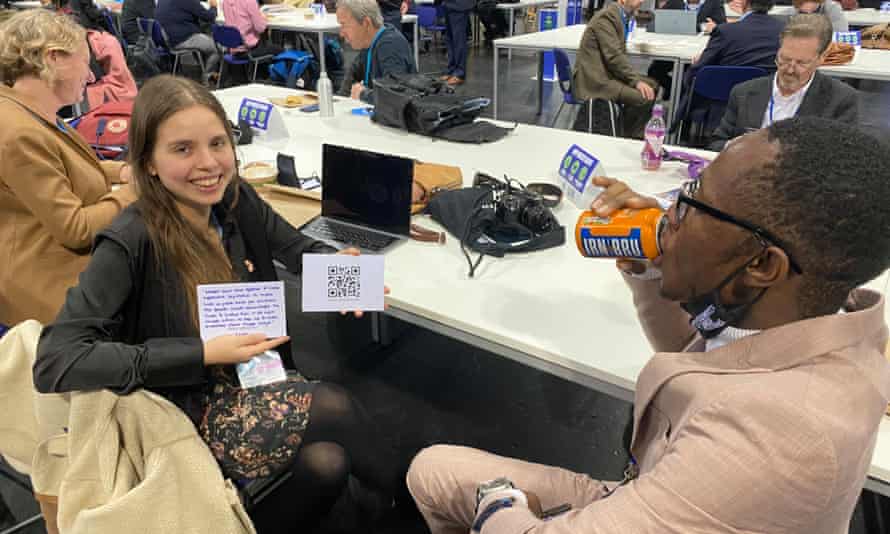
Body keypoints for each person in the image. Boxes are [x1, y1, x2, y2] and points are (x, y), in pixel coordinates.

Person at [406, 116, 890, 533]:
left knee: (435, 476)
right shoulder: (817, 312)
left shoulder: (775, 439)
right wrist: (656, 265)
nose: (668, 213)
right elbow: (701, 357)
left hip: (667, 493)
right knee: (430, 470)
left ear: (764, 265)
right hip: (667, 490)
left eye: (692, 202)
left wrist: (501, 504)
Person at [33, 75, 401, 534]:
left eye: (218, 143)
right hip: (181, 405)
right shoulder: (130, 239)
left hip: (247, 377)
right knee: (335, 406)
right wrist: (204, 353)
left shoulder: (234, 198)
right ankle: (406, 506)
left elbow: (295, 250)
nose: (208, 164)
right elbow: (55, 359)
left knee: (327, 463)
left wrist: (347, 276)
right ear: (148, 161)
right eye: (182, 149)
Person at [0, 9, 135, 327]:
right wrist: (136, 191)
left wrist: (122, 173)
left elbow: (69, 166)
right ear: (54, 58)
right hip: (48, 288)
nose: (90, 76)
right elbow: (75, 230)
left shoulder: (30, 110)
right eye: (85, 62)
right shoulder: (19, 131)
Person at [709, 14, 858, 150]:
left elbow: (843, 160)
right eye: (785, 59)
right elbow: (716, 143)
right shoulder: (744, 92)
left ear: (822, 58)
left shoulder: (840, 100)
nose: (790, 70)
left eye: (801, 63)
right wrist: (733, 147)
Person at [673, 0, 784, 133]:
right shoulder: (785, 31)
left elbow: (695, 73)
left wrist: (699, 63)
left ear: (744, 2)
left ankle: (682, 134)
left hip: (721, 106)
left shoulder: (726, 31)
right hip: (767, 104)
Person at [572, 0, 658, 138]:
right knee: (643, 97)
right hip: (595, 80)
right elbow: (614, 57)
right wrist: (635, 81)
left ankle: (624, 129)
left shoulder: (620, 15)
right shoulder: (606, 17)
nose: (642, 1)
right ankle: (627, 137)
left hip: (607, 72)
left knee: (653, 85)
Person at [336, 0, 416, 103]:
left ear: (366, 23)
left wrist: (363, 95)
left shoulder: (390, 46)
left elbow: (396, 99)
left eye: (344, 25)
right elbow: (348, 83)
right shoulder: (368, 43)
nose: (341, 33)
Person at [646, 0, 726, 98]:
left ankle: (681, 100)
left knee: (686, 77)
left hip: (697, 53)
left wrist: (715, 27)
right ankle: (673, 89)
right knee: (654, 71)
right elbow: (659, 20)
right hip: (673, 49)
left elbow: (723, 27)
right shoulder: (674, 2)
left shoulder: (714, 3)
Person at [155, 0, 221, 84]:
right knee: (216, 48)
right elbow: (209, 16)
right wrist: (213, 6)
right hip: (183, 39)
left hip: (169, 40)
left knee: (204, 38)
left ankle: (205, 69)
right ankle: (208, 75)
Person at [440, 0, 475, 85]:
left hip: (459, 5)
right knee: (450, 40)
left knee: (458, 40)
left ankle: (459, 74)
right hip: (448, 4)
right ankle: (451, 70)